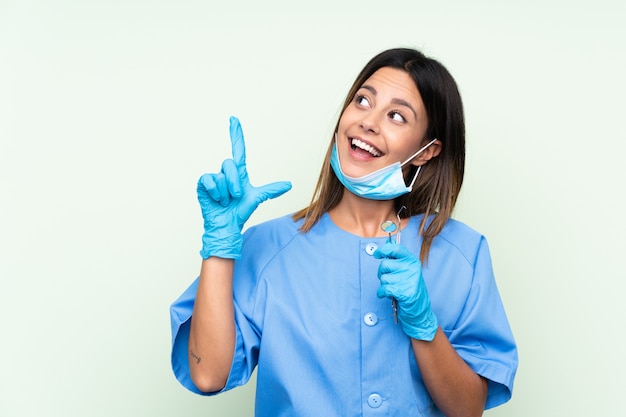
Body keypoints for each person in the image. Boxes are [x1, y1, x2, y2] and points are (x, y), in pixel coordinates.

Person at [170, 47, 518, 417]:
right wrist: (220, 245)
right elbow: (207, 375)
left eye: (397, 116)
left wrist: (424, 326)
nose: (369, 122)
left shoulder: (462, 253)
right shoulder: (269, 248)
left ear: (426, 151)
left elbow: (468, 410)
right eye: (363, 100)